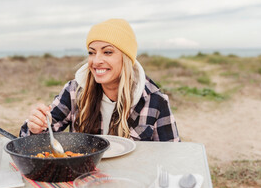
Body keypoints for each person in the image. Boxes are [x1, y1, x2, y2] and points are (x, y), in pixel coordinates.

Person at [20, 19, 180, 141]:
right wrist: (35, 127)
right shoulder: (74, 91)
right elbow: (29, 140)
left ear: (126, 59)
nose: (96, 61)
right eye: (91, 52)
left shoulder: (155, 100)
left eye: (108, 52)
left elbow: (173, 157)